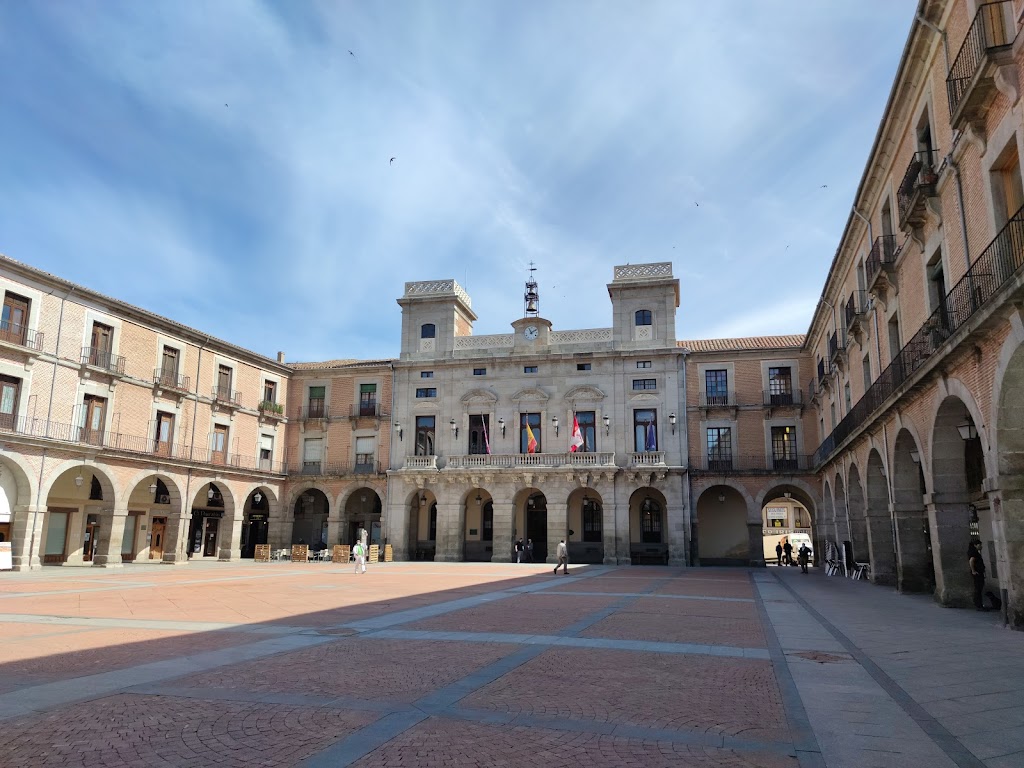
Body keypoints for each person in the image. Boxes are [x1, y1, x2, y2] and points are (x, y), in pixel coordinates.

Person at [969, 541, 987, 611]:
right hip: (977, 573)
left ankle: (978, 604)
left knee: (978, 589)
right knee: (978, 588)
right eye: (980, 545)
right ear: (975, 545)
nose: (981, 546)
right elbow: (971, 561)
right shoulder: (974, 553)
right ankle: (979, 605)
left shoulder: (974, 552)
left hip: (978, 572)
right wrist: (973, 571)